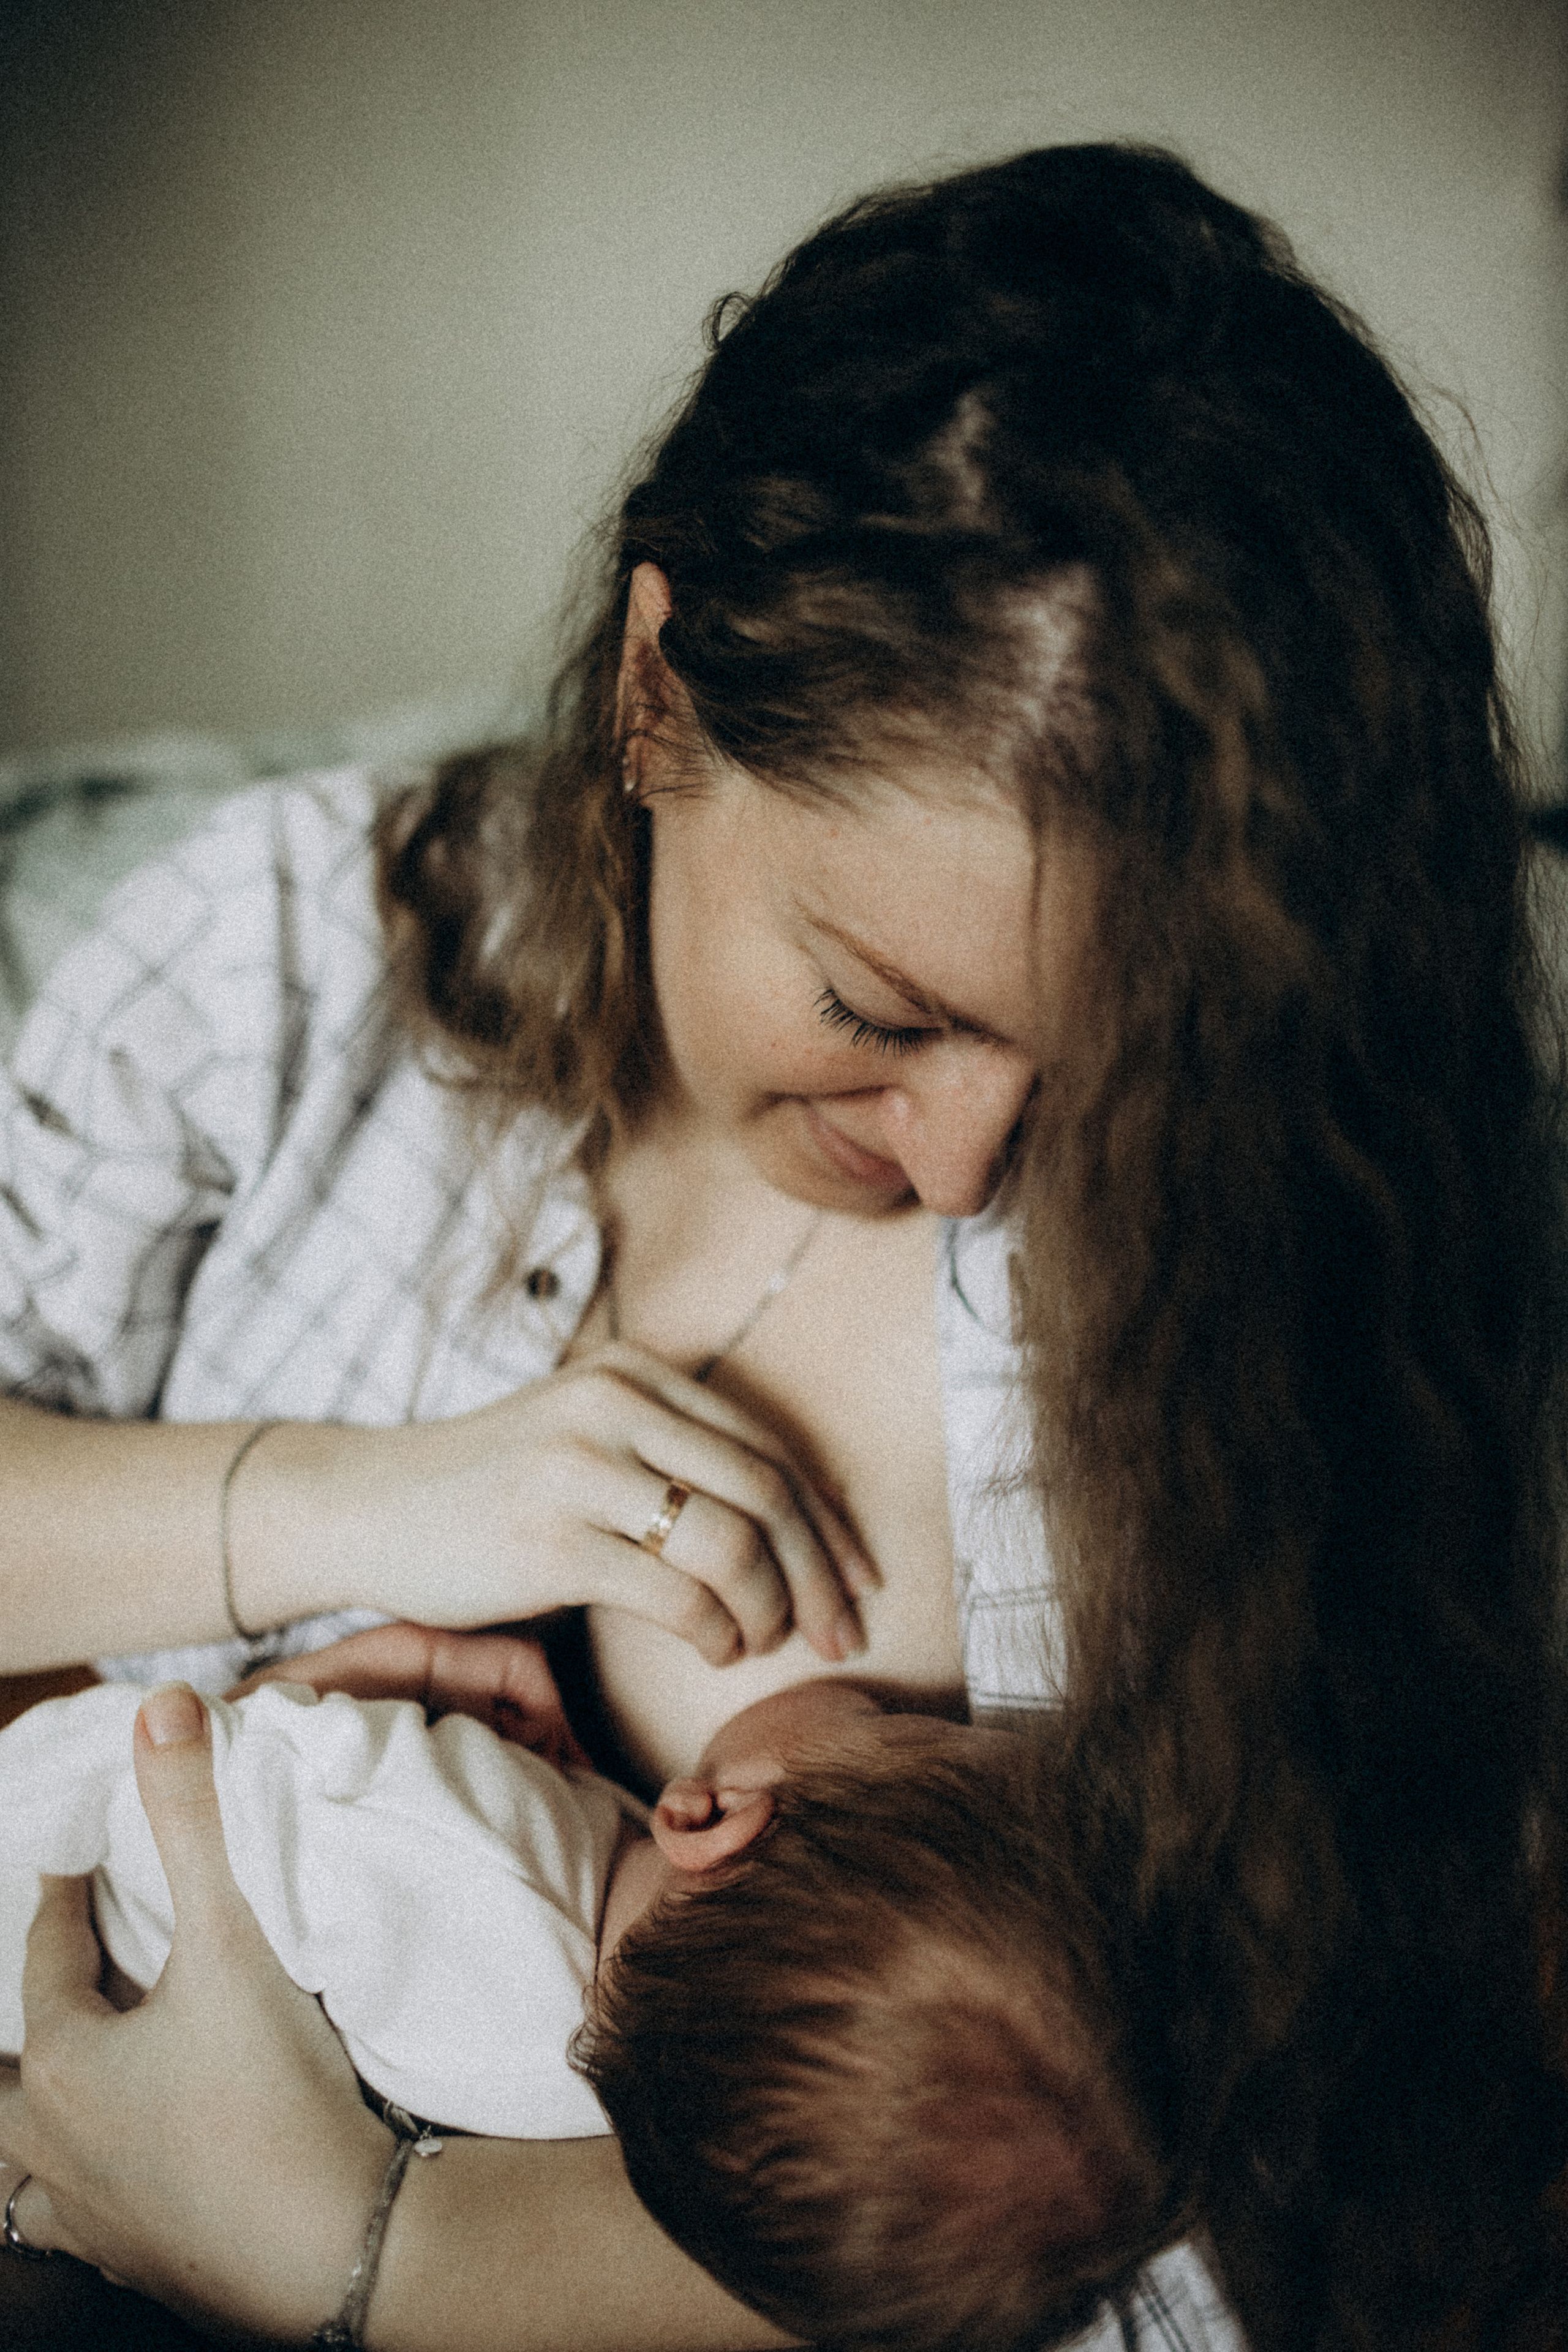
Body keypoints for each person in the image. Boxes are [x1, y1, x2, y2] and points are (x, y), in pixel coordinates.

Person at [0, 136, 1564, 2351]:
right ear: (658, 691)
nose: (960, 1164)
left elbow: (1168, 2251)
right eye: (878, 1011)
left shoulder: (1238, 1317)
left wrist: (361, 2253)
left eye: (1102, 1071)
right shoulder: (281, 968)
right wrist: (336, 1510)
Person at [2, 1669, 1167, 2351]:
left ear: (711, 1818)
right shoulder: (582, 2104)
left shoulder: (465, 1847)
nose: (905, 1697)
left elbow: (177, 1755)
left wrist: (319, 1703)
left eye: (905, 1726)